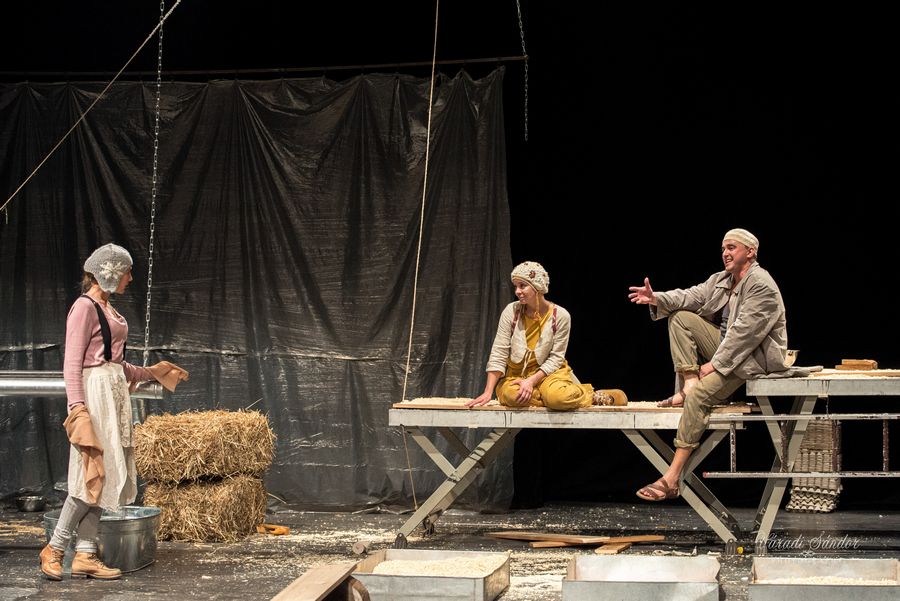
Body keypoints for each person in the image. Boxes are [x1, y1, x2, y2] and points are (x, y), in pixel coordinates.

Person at [40, 244, 188, 580]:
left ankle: (85, 554)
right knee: (90, 473)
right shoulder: (84, 307)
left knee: (104, 476)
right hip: (94, 396)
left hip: (112, 392)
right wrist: (77, 409)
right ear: (110, 272)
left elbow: (115, 365)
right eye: (126, 271)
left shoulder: (109, 310)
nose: (130, 278)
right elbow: (72, 365)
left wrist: (152, 372)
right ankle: (55, 547)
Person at [628, 228, 789, 501]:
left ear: (750, 252)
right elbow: (691, 296)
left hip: (751, 358)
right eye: (723, 248)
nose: (725, 253)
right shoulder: (722, 279)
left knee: (700, 397)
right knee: (680, 317)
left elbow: (745, 336)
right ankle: (689, 384)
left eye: (731, 247)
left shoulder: (761, 284)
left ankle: (671, 478)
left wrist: (714, 364)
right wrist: (656, 298)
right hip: (727, 349)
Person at [468, 261, 624, 410]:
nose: (517, 291)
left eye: (522, 286)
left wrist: (531, 381)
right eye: (515, 286)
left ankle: (593, 396)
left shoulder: (560, 315)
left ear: (537, 286)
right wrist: (488, 391)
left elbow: (556, 357)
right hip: (517, 376)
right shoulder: (512, 311)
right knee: (514, 396)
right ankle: (552, 397)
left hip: (549, 375)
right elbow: (499, 351)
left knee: (558, 399)